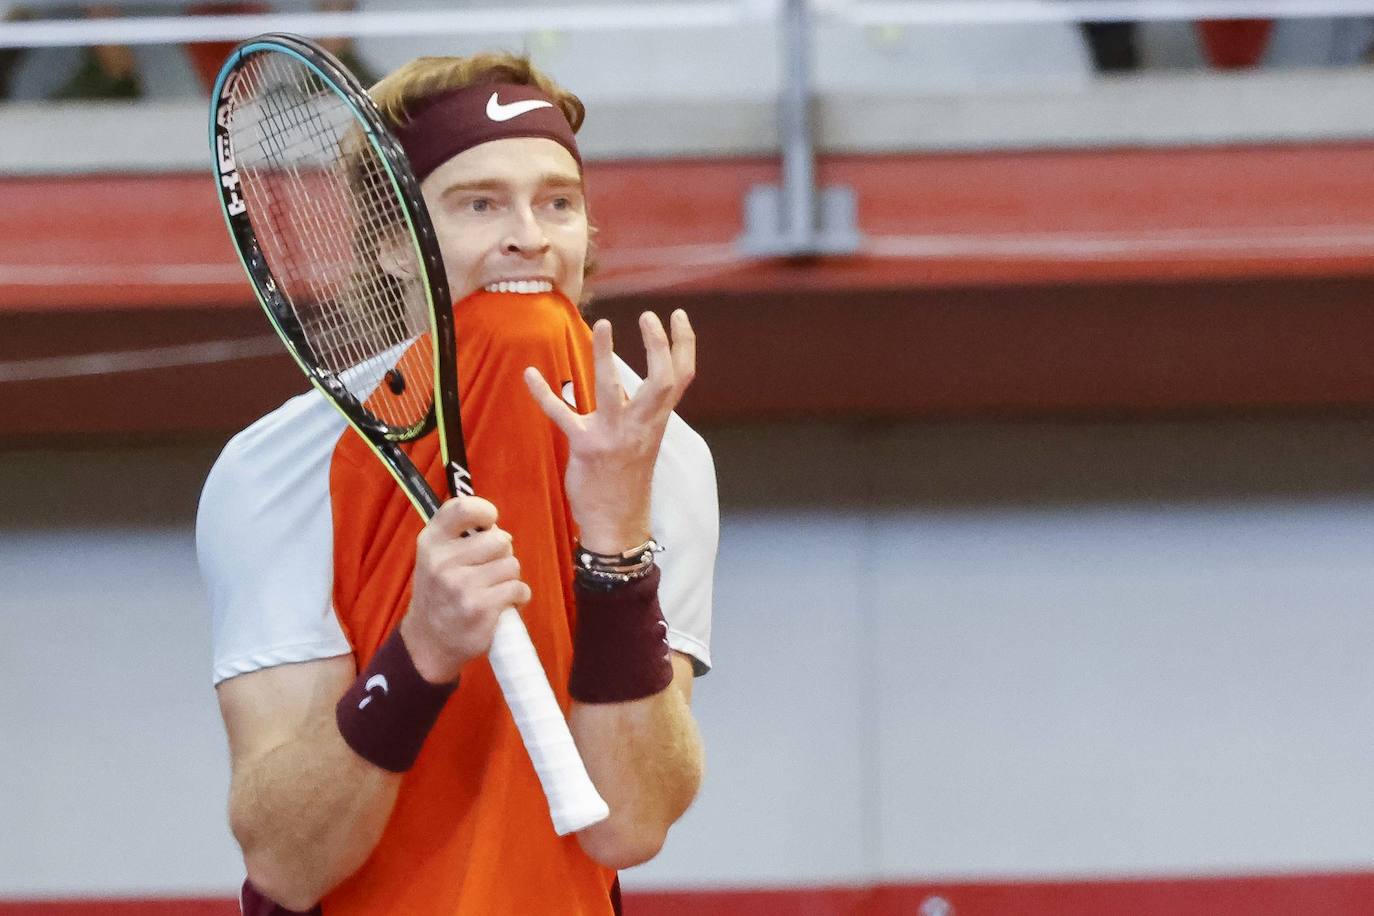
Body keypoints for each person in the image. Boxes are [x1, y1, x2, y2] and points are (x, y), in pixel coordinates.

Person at [196, 51, 718, 915]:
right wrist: (421, 654)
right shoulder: (276, 470)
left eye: (559, 201)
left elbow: (629, 826)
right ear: (398, 243)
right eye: (480, 203)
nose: (531, 234)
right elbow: (288, 862)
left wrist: (617, 545)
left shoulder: (660, 452)